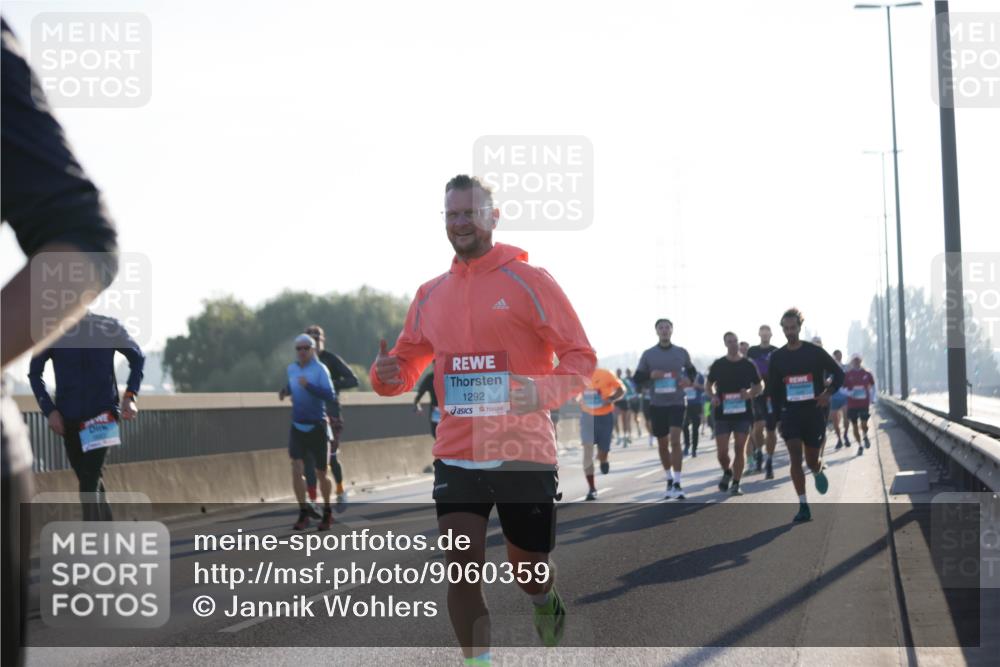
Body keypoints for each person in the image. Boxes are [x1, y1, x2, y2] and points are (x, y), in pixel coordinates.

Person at [370, 175, 595, 660]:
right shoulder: (431, 294)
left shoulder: (530, 282)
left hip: (523, 453)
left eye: (469, 213)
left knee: (528, 569)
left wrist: (539, 391)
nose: (460, 223)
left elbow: (580, 358)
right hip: (457, 453)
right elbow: (406, 365)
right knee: (461, 568)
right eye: (451, 214)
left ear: (494, 217)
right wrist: (385, 374)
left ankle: (543, 598)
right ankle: (478, 662)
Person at [2, 18, 121, 665]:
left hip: (99, 413)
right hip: (69, 415)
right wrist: (46, 400)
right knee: (84, 478)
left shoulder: (104, 331)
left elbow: (85, 239)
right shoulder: (59, 348)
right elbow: (42, 364)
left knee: (93, 477)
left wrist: (127, 393)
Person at [28, 313, 144, 521]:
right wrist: (50, 411)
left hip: (103, 416)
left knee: (89, 481)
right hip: (69, 419)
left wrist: (130, 396)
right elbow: (35, 374)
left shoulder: (108, 326)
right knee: (89, 478)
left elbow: (137, 358)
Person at [769, 309, 845, 523]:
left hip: (813, 413)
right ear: (782, 329)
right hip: (790, 413)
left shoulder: (815, 352)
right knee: (795, 458)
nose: (790, 332)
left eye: (793, 328)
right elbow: (773, 391)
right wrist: (775, 420)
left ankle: (817, 469)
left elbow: (839, 374)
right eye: (786, 329)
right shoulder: (777, 357)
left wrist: (828, 394)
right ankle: (803, 505)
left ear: (799, 328)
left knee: (811, 460)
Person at [632, 318, 693, 500]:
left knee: (675, 440)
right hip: (657, 404)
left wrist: (688, 380)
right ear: (656, 331)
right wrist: (651, 375)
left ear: (672, 330)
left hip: (677, 402)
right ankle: (668, 477)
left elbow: (691, 371)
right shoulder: (648, 354)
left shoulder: (681, 352)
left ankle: (677, 481)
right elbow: (637, 378)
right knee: (662, 444)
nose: (665, 330)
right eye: (661, 328)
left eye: (667, 327)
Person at [281, 334, 336, 531]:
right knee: (296, 468)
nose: (302, 352)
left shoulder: (320, 369)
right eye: (299, 349)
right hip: (298, 426)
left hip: (317, 426)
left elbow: (330, 395)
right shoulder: (292, 369)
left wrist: (309, 386)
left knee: (322, 473)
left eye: (306, 348)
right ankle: (303, 512)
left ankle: (327, 511)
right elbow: (293, 385)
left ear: (312, 349)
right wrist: (285, 391)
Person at [305, 324, 359, 508]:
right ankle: (312, 500)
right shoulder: (303, 363)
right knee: (310, 458)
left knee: (331, 458)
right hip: (311, 416)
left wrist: (332, 384)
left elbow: (353, 379)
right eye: (310, 337)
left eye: (317, 336)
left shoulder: (331, 360)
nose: (314, 339)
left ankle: (341, 490)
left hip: (332, 415)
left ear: (323, 339)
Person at [707, 332, 763, 496]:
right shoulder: (718, 364)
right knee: (722, 452)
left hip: (743, 413)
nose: (732, 344)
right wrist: (713, 397)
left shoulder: (748, 364)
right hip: (722, 413)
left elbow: (760, 386)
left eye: (735, 341)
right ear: (725, 344)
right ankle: (727, 471)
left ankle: (736, 483)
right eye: (729, 342)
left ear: (738, 343)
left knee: (740, 448)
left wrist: (750, 393)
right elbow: (708, 386)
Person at [579, 368, 625, 500]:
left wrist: (610, 398)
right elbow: (571, 393)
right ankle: (592, 488)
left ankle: (604, 460)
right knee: (587, 450)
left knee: (602, 452)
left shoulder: (606, 374)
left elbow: (621, 389)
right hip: (587, 417)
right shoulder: (578, 377)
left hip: (605, 416)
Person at [747, 325, 780, 479]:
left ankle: (770, 461)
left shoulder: (777, 351)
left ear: (771, 334)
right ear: (759, 334)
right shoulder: (752, 351)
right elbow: (745, 370)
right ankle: (759, 451)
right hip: (757, 395)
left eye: (768, 332)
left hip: (773, 395)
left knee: (771, 430)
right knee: (757, 428)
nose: (765, 334)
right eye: (763, 331)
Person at [844, 354, 876, 454]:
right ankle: (860, 445)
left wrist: (873, 398)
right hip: (852, 404)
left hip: (864, 403)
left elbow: (873, 387)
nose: (856, 362)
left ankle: (865, 435)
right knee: (854, 426)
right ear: (852, 362)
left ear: (861, 361)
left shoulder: (867, 373)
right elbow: (841, 388)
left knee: (864, 424)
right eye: (854, 360)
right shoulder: (848, 374)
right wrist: (850, 393)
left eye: (858, 360)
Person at [681, 365, 706, 457]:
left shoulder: (699, 376)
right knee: (684, 426)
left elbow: (705, 388)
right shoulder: (681, 375)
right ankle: (687, 445)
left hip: (697, 404)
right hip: (685, 404)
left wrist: (697, 385)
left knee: (695, 428)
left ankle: (694, 449)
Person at [829, 349, 851, 450]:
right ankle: (839, 439)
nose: (838, 357)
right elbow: (826, 379)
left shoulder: (845, 367)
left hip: (844, 396)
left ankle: (846, 435)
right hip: (833, 397)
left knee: (846, 418)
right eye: (836, 355)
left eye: (840, 355)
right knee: (835, 421)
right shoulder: (829, 369)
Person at [414, 368, 440, 437]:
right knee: (436, 434)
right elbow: (418, 397)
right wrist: (418, 406)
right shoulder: (430, 378)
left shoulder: (450, 376)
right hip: (436, 411)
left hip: (450, 411)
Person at [613, 368, 631, 447]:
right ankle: (618, 436)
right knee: (615, 420)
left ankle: (625, 437)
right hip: (616, 402)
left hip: (624, 402)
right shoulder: (613, 380)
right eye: (617, 372)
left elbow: (631, 390)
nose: (619, 373)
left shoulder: (624, 381)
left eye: (620, 372)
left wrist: (626, 395)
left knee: (624, 420)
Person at [626, 368, 643, 438]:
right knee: (628, 416)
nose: (628, 373)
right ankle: (629, 433)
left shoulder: (634, 379)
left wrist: (638, 394)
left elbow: (639, 389)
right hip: (629, 400)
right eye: (627, 372)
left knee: (636, 417)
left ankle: (638, 428)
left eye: (629, 372)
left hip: (636, 400)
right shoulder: (625, 380)